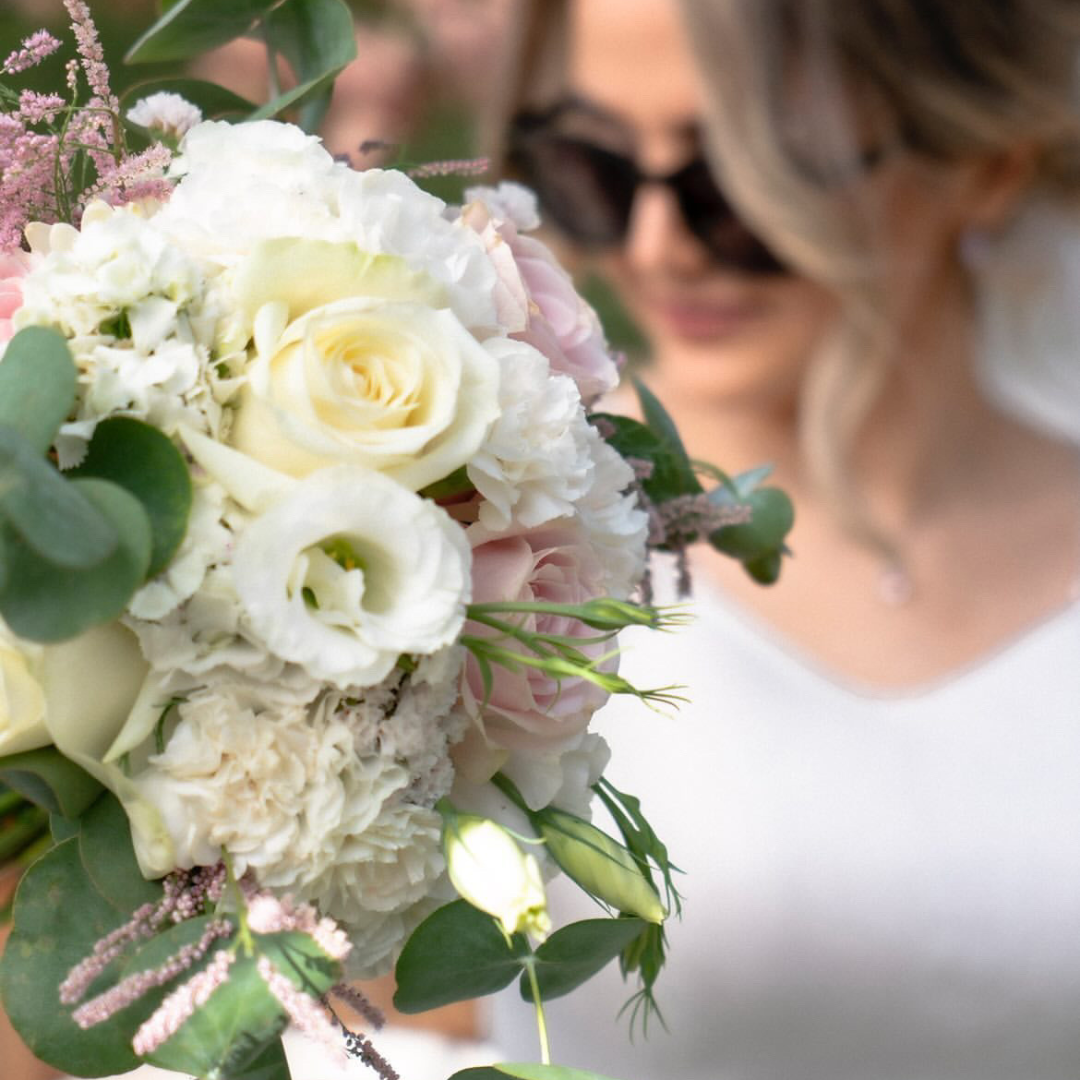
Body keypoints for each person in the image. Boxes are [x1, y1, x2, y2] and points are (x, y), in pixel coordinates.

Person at [481, 1, 1080, 1077]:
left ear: (985, 164)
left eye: (742, 184)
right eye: (594, 168)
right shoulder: (479, 546)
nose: (658, 247)